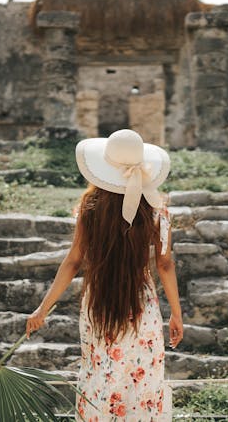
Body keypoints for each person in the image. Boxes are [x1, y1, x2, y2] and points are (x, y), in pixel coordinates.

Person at [26, 129, 183, 421]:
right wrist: (176, 314)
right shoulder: (157, 211)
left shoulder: (90, 208)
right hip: (141, 307)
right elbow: (165, 266)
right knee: (142, 385)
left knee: (100, 376)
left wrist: (42, 309)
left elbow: (73, 262)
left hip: (98, 303)